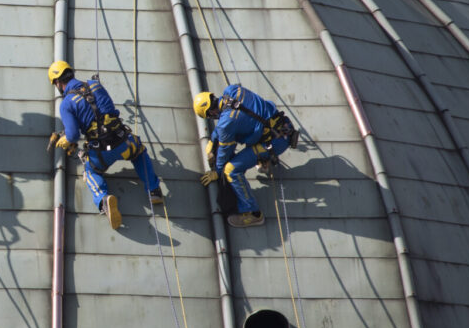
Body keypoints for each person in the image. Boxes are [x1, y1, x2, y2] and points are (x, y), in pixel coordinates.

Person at [47, 60, 164, 230]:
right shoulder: (95, 85)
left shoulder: (66, 104)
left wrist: (66, 139)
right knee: (138, 152)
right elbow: (104, 111)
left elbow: (73, 134)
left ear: (57, 82)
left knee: (91, 171)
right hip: (123, 140)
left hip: (102, 151)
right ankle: (154, 191)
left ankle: (103, 201)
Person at [193, 84, 296, 228]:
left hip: (274, 142)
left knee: (230, 169)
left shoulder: (225, 124)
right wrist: (213, 139)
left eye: (209, 116)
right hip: (282, 127)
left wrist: (217, 172)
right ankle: (263, 160)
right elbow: (238, 116)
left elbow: (225, 151)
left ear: (210, 113)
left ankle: (252, 213)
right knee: (250, 129)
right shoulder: (233, 90)